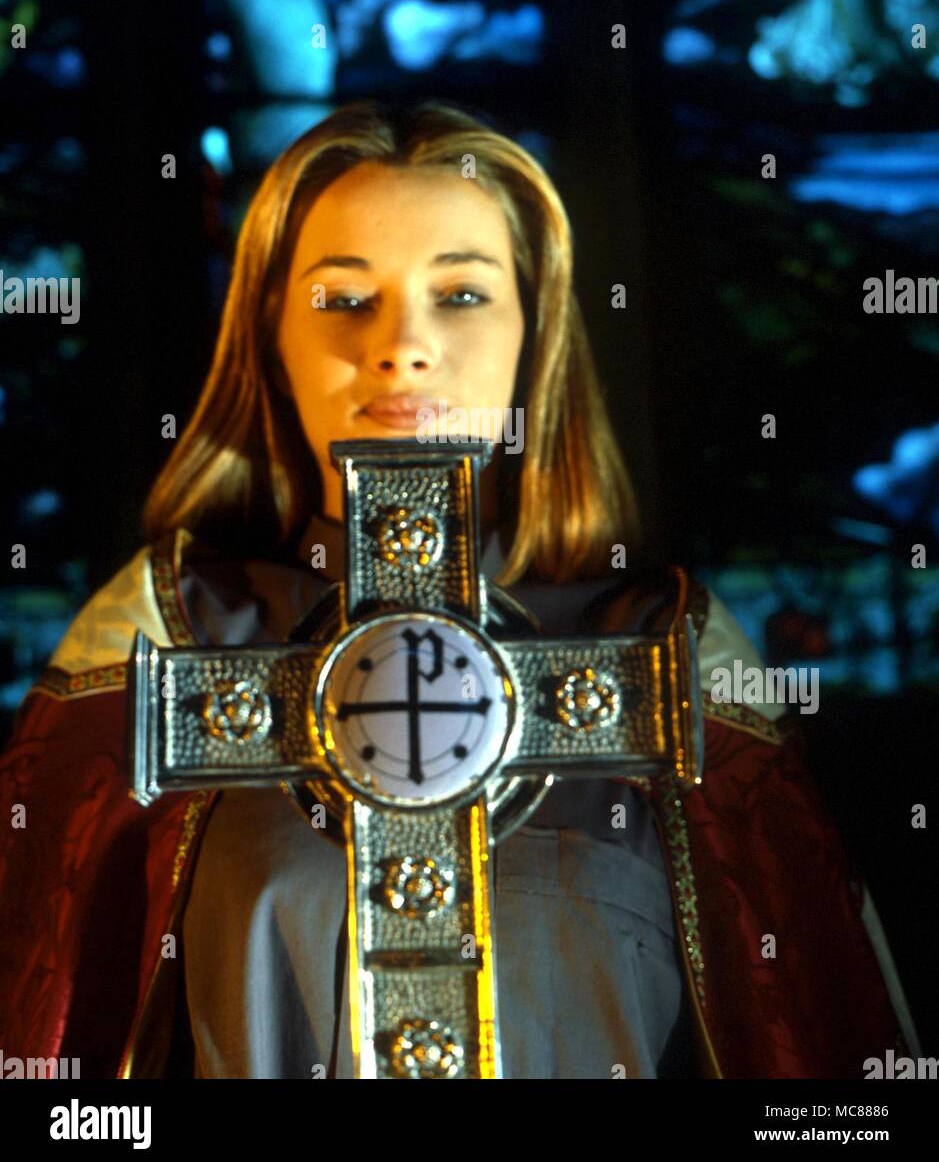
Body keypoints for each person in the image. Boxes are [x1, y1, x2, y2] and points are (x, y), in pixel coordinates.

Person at [0, 101, 919, 1080]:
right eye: (343, 298)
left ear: (538, 330)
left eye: (464, 294)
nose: (401, 344)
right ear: (269, 333)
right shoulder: (164, 642)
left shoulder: (665, 655)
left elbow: (816, 1048)